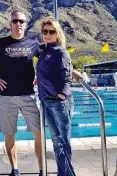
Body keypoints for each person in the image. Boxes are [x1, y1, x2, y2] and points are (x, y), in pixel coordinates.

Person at [0, 11, 42, 176]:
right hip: (6, 96)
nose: (18, 24)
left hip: (28, 95)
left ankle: (42, 169)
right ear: (10, 23)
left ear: (26, 24)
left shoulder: (34, 44)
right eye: (15, 21)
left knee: (39, 133)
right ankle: (15, 169)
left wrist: (41, 77)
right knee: (10, 134)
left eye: (21, 21)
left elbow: (47, 60)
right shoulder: (0, 43)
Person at [36, 18, 82, 176]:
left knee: (63, 141)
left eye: (51, 32)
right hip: (46, 102)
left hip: (59, 102)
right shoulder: (44, 51)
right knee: (56, 142)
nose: (47, 35)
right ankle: (62, 173)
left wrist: (61, 94)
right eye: (45, 32)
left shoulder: (61, 51)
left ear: (57, 34)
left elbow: (66, 74)